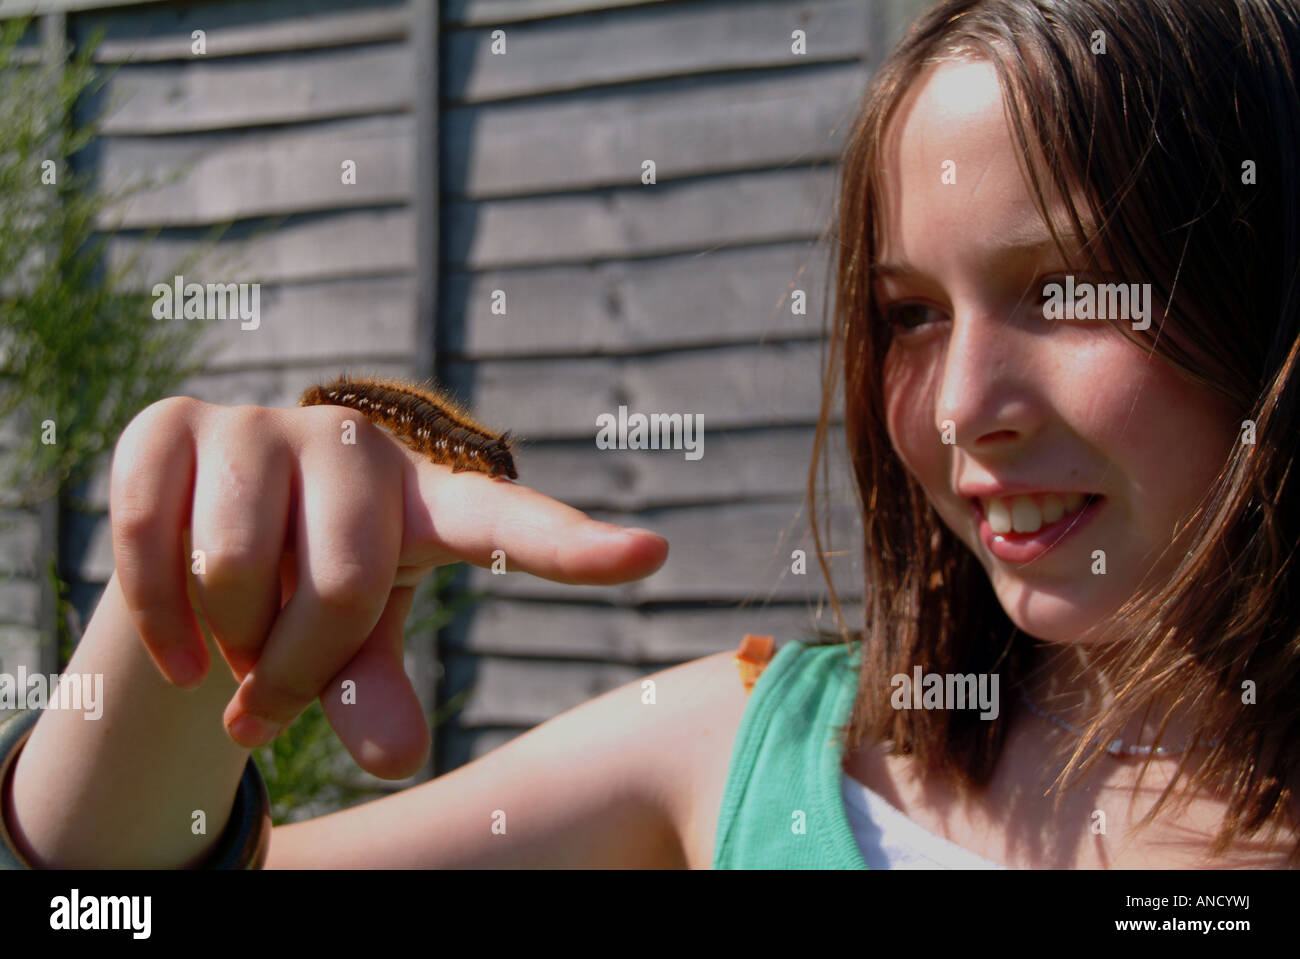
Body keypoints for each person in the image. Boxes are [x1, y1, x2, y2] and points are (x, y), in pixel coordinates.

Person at [3, 0, 1298, 869]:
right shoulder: (750, 751)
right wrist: (175, 623)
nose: (962, 405)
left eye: (1066, 290)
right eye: (905, 312)